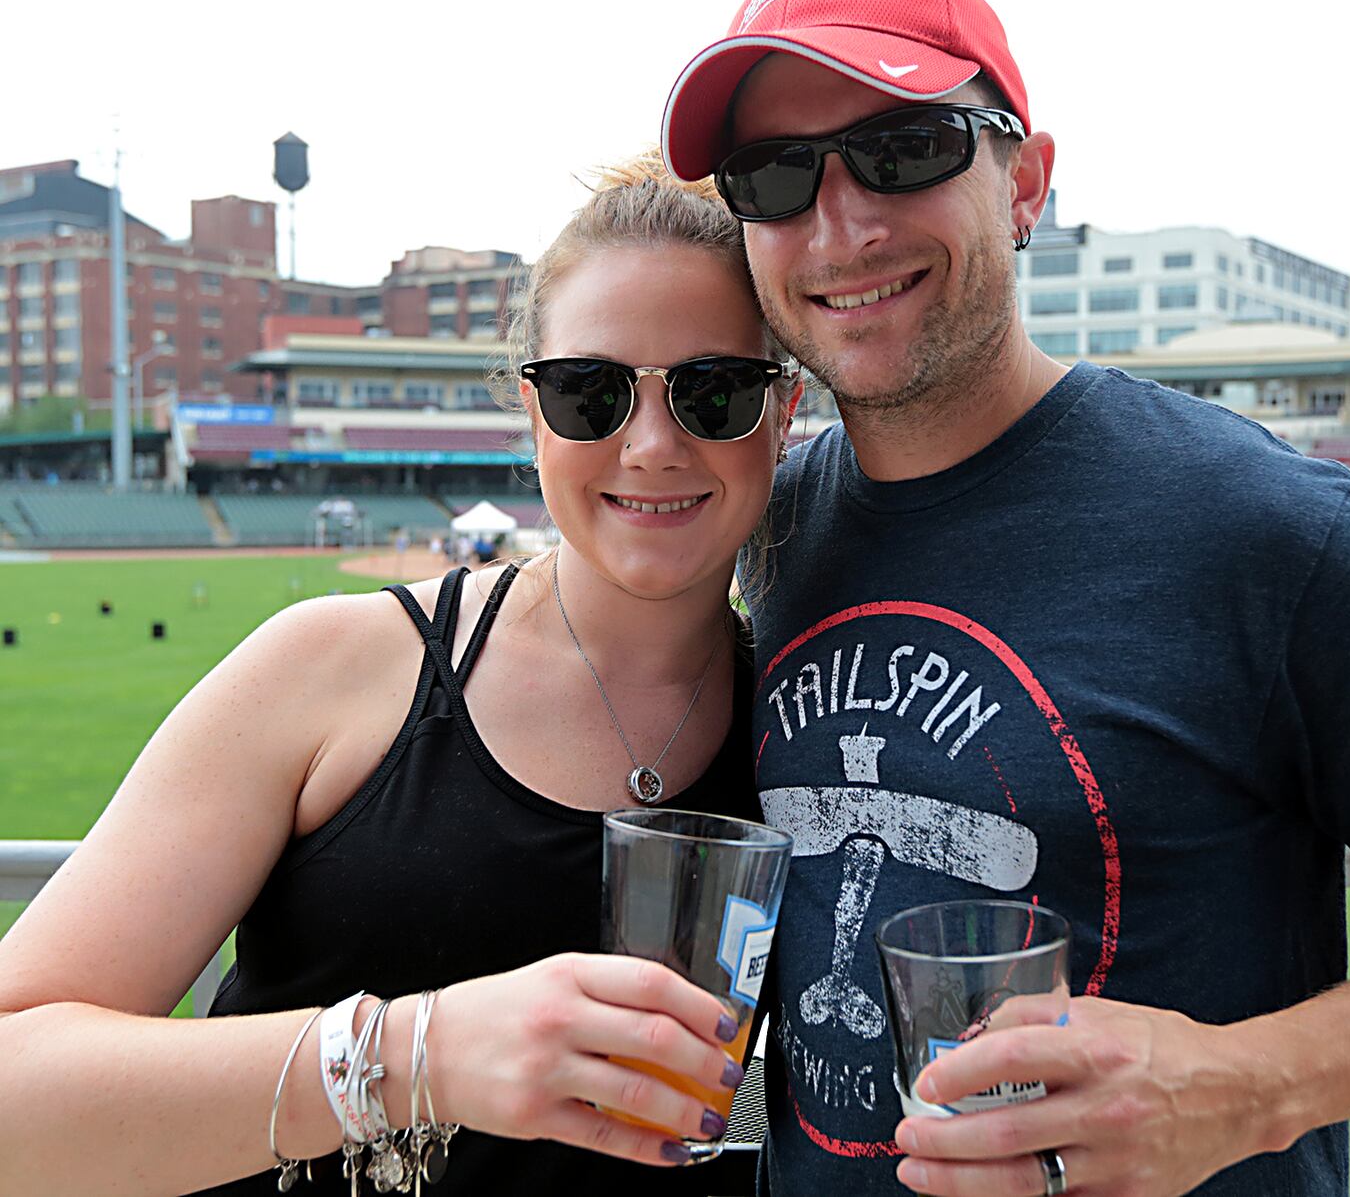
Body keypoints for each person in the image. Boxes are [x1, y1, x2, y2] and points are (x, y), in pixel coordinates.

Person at [659, 0, 1350, 1197]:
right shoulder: (769, 524)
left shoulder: (1268, 527)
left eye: (906, 148)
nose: (840, 222)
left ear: (1027, 182)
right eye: (774, 176)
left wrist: (1247, 1082)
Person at [0, 154, 801, 1195]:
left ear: (782, 412)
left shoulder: (816, 726)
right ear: (530, 410)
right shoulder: (330, 666)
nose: (650, 443)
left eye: (713, 390)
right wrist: (425, 1052)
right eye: (590, 389)